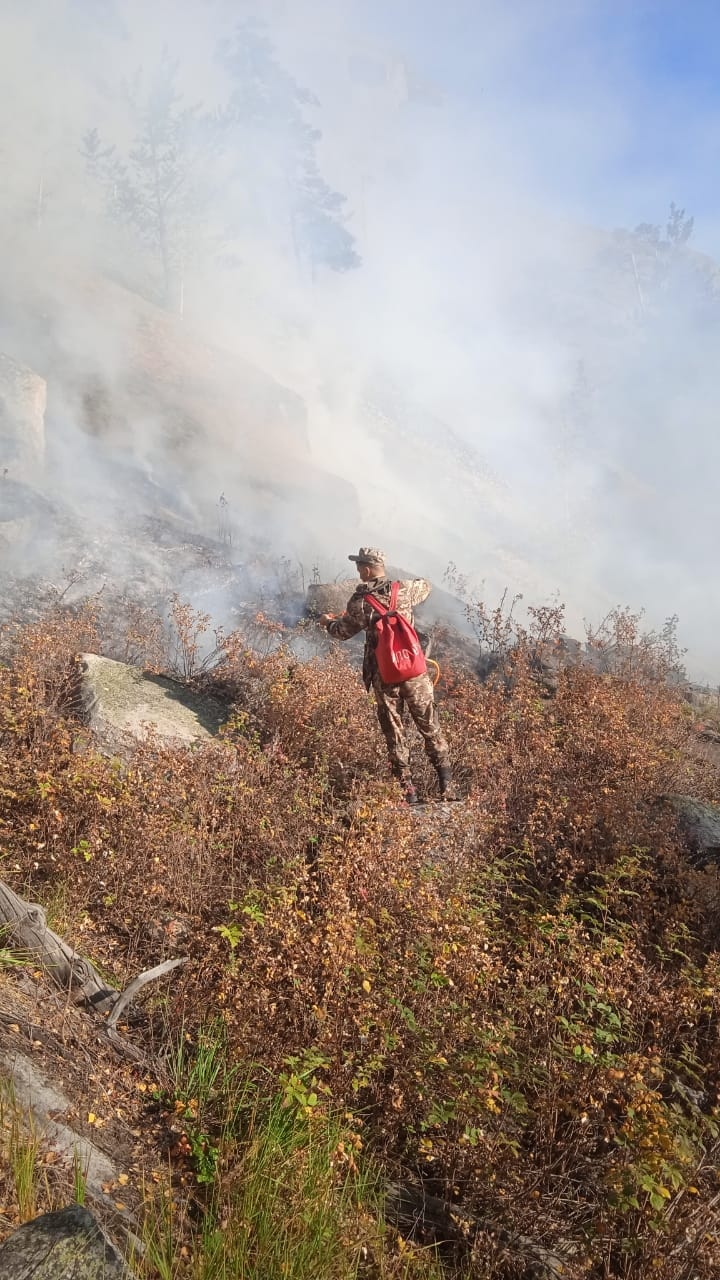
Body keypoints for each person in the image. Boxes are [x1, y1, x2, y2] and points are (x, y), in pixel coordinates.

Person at [320, 548, 455, 805]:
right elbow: (425, 586)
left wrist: (326, 622)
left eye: (359, 566)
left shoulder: (359, 602)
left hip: (385, 674)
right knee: (430, 726)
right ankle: (447, 787)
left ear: (367, 569)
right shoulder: (403, 589)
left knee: (394, 731)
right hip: (415, 672)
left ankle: (410, 794)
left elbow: (342, 631)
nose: (358, 571)